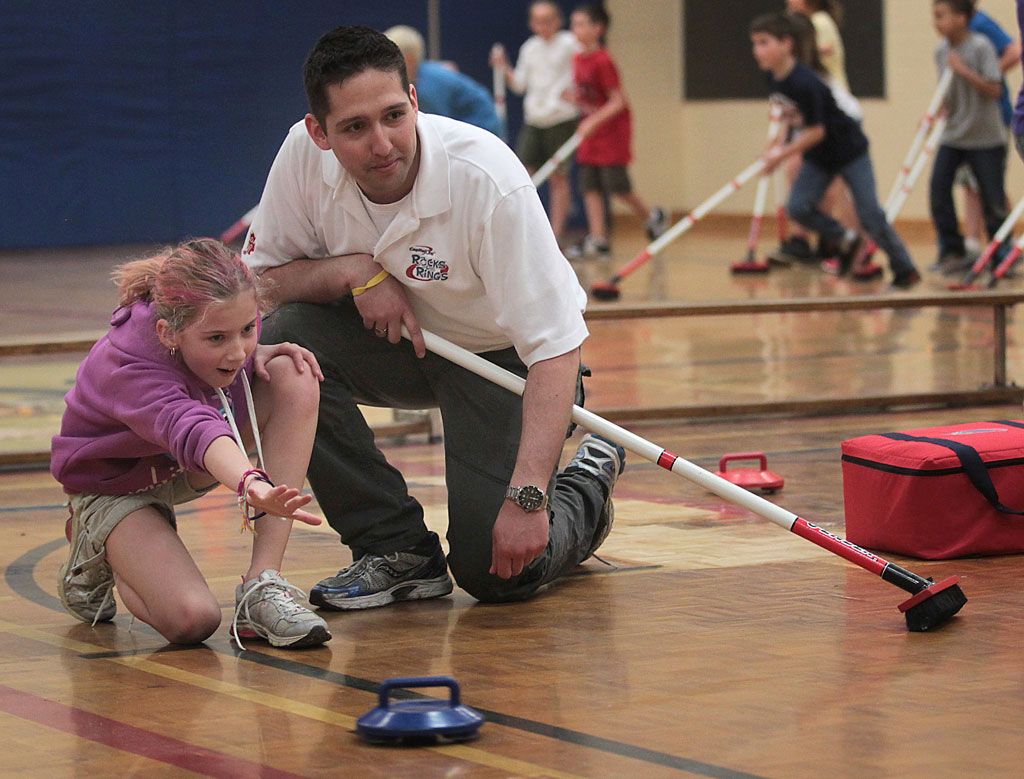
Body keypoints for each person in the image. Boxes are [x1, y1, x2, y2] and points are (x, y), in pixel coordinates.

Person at [241, 26, 625, 609]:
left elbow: (556, 345)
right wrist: (353, 272)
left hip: (507, 362)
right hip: (399, 347)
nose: (382, 144)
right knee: (281, 345)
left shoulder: (488, 179)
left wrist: (527, 499)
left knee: (497, 572)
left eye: (394, 116)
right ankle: (396, 549)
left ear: (415, 100)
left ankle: (584, 486)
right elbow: (258, 287)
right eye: (355, 127)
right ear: (319, 133)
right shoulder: (301, 158)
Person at [51, 238, 331, 648]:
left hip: (184, 466)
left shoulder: (223, 336)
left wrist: (254, 347)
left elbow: (225, 378)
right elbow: (194, 428)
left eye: (247, 329)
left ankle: (263, 583)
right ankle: (100, 549)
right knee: (193, 620)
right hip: (115, 485)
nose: (237, 353)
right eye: (217, 338)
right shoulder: (127, 364)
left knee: (292, 372)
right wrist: (251, 483)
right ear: (168, 333)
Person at [750, 12, 921, 288]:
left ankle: (905, 267)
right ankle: (847, 239)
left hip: (849, 151)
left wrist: (781, 155)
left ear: (786, 44)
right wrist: (773, 148)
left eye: (764, 43)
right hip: (820, 157)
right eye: (755, 44)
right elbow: (788, 116)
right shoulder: (774, 78)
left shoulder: (806, 81)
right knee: (798, 207)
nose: (757, 51)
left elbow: (817, 131)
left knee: (870, 214)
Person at [564, 3, 666, 260]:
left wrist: (594, 121)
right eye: (573, 24)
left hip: (610, 133)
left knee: (617, 186)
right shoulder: (577, 59)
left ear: (598, 28)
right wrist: (574, 99)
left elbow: (618, 101)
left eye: (581, 24)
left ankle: (652, 216)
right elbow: (590, 96)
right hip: (591, 133)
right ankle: (598, 239)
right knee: (589, 185)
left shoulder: (604, 60)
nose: (575, 29)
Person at [490, 0, 580, 246]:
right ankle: (523, 228)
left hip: (561, 118)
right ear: (532, 23)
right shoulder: (530, 48)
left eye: (548, 20)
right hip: (535, 120)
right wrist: (503, 68)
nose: (544, 25)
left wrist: (579, 93)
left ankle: (555, 235)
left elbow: (585, 70)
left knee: (558, 177)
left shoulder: (570, 43)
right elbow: (519, 85)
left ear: (558, 20)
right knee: (522, 172)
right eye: (538, 21)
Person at [928, 0, 1009, 273]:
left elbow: (995, 89)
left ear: (961, 18)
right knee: (939, 190)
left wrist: (963, 70)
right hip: (954, 134)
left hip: (985, 137)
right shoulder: (941, 51)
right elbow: (948, 93)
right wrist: (934, 113)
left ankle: (1000, 254)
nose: (936, 23)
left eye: (942, 16)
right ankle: (951, 251)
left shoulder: (981, 47)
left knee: (992, 198)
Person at [957, 2, 1020, 254]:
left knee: (990, 183)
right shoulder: (956, 34)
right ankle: (972, 242)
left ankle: (1006, 240)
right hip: (968, 121)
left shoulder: (980, 23)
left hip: (993, 116)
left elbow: (1014, 51)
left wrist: (986, 76)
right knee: (971, 182)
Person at [384, 25, 502, 137]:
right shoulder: (425, 73)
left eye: (390, 59)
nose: (385, 66)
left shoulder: (429, 86)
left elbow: (437, 127)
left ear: (409, 58)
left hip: (484, 127)